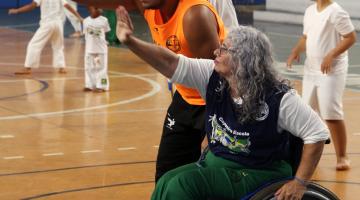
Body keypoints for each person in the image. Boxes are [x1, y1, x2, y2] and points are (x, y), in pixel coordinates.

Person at [116, 6, 329, 200]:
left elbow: (317, 132)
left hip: (259, 170)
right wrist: (130, 41)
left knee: (182, 185)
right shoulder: (211, 74)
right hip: (220, 160)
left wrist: (300, 183)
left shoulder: (280, 98)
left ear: (245, 59)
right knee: (166, 181)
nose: (216, 51)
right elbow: (170, 61)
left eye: (225, 49)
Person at [74, 0, 227, 182]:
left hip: (216, 104)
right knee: (166, 177)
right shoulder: (148, 5)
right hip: (185, 99)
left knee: (210, 179)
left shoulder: (195, 16)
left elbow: (218, 82)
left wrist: (213, 134)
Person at [287, 0, 356, 171]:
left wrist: (331, 55)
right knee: (307, 112)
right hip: (311, 69)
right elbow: (306, 37)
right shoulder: (310, 11)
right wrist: (296, 50)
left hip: (331, 70)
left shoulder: (336, 12)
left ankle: (342, 156)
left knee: (331, 113)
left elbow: (350, 37)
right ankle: (308, 151)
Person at [8, 0, 83, 75]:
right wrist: (79, 17)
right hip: (58, 24)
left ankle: (28, 68)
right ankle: (62, 67)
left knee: (34, 45)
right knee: (58, 46)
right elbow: (67, 6)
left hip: (47, 24)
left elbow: (32, 6)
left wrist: (17, 10)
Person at [83, 6, 111, 92]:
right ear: (89, 9)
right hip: (89, 49)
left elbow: (107, 32)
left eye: (100, 8)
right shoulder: (86, 21)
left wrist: (106, 42)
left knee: (102, 69)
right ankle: (89, 85)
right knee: (89, 68)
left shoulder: (104, 20)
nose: (99, 9)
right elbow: (86, 34)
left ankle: (102, 86)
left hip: (101, 50)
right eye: (96, 8)